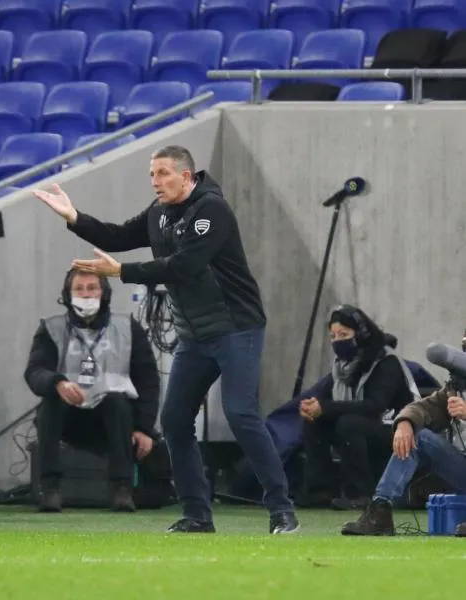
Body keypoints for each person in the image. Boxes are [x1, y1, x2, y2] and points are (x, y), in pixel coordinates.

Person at [33, 145, 300, 534]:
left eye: (162, 174)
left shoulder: (212, 211)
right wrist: (74, 217)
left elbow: (185, 265)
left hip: (236, 327)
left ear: (186, 176)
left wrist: (122, 272)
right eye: (152, 175)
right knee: (174, 421)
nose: (155, 182)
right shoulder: (158, 213)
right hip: (194, 336)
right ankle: (197, 515)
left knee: (240, 414)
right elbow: (117, 235)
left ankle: (281, 510)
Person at [24, 268, 161, 513]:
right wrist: (58, 383)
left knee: (118, 403)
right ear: (68, 294)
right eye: (79, 289)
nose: (86, 295)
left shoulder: (127, 328)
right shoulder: (52, 328)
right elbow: (35, 371)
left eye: (92, 288)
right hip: (69, 418)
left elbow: (148, 380)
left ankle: (122, 489)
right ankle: (49, 489)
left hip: (113, 419)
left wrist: (144, 428)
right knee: (49, 405)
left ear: (104, 293)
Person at [298, 305, 419, 510]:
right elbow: (328, 399)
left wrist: (325, 408)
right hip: (365, 426)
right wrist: (312, 407)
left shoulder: (386, 362)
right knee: (314, 421)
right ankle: (320, 490)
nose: (337, 341)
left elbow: (374, 406)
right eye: (333, 336)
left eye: (344, 335)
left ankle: (360, 494)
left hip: (397, 430)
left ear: (361, 334)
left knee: (349, 423)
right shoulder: (342, 366)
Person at [340, 381, 466, 536]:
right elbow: (420, 407)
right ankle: (380, 509)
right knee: (418, 438)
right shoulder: (455, 389)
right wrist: (405, 423)